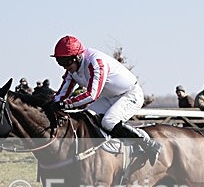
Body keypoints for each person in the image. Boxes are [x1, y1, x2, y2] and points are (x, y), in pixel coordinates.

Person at [50, 35, 161, 165]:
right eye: (60, 62)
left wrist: (65, 104)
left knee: (109, 122)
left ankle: (148, 143)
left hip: (130, 94)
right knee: (86, 118)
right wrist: (50, 104)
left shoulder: (95, 62)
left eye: (66, 62)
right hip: (109, 97)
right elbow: (62, 94)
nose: (64, 67)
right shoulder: (72, 69)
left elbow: (91, 95)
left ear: (78, 56)